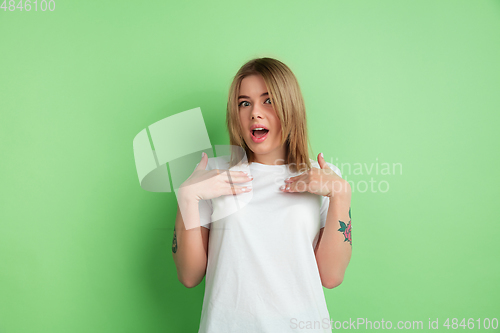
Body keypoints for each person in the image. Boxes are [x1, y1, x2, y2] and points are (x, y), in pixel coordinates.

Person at [172, 57, 352, 332]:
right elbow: (189, 275)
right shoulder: (216, 174)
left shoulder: (322, 177)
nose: (254, 112)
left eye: (268, 100)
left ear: (289, 107)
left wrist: (341, 194)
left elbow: (331, 276)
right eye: (245, 103)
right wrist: (187, 197)